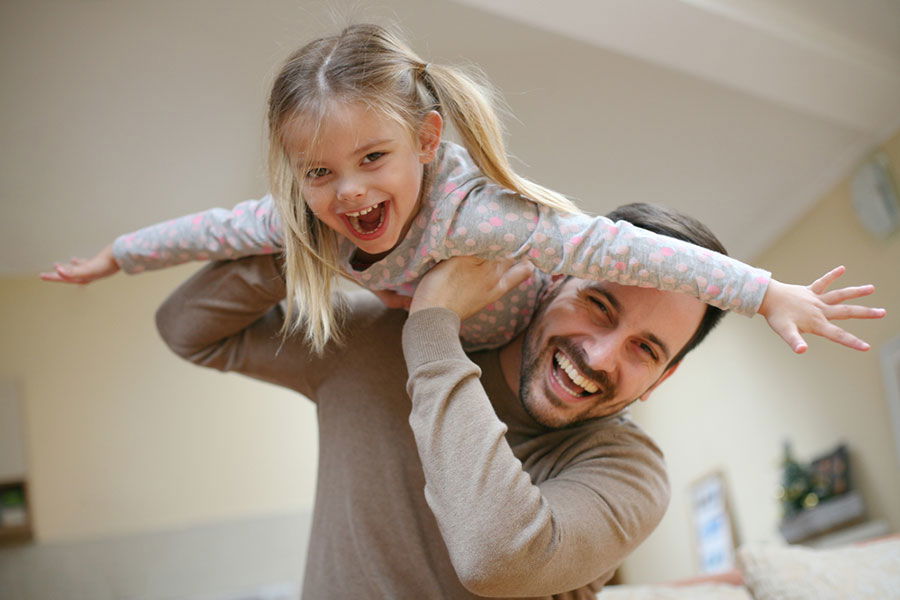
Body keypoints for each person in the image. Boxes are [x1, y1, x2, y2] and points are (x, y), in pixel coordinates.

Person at [154, 203, 883, 598]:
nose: (601, 356)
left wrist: (434, 327)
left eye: (645, 350)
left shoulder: (629, 470)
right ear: (547, 282)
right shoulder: (374, 342)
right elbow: (188, 330)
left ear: (661, 381)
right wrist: (316, 231)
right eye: (599, 306)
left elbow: (496, 558)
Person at [41, 24, 872, 357]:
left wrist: (763, 293)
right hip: (448, 348)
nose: (349, 193)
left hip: (518, 331)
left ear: (426, 141)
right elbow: (210, 229)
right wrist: (115, 256)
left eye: (373, 159)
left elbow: (615, 248)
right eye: (319, 172)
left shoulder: (480, 216)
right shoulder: (304, 222)